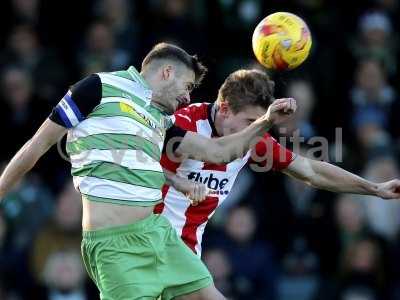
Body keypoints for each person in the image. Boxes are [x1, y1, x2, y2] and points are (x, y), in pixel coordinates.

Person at [0, 43, 296, 300]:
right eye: (188, 86)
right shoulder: (97, 88)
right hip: (114, 244)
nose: (187, 98)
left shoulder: (161, 121)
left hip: (157, 233)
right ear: (167, 73)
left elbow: (218, 152)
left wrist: (266, 121)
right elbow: (35, 147)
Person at [155, 68, 400, 257]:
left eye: (257, 121)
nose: (253, 128)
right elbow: (135, 163)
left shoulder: (254, 139)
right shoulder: (180, 124)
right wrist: (175, 180)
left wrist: (374, 188)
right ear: (225, 109)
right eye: (249, 120)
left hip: (186, 252)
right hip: (148, 241)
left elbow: (311, 171)